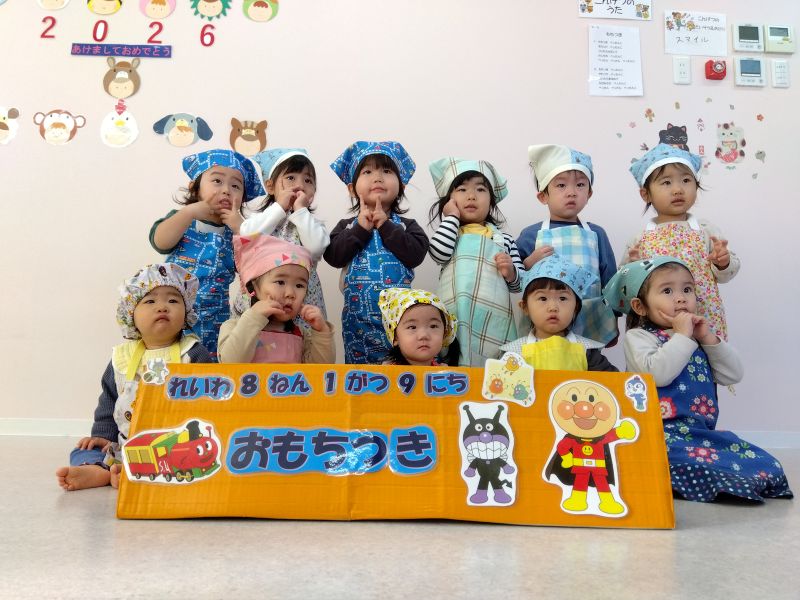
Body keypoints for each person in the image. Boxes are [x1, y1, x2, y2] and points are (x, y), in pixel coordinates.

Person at [603, 257, 792, 502]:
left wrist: (709, 339)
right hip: (659, 435)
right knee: (678, 460)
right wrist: (682, 336)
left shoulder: (697, 338)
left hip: (700, 435)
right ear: (640, 307)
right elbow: (657, 374)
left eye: (687, 289)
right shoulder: (640, 337)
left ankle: (724, 481)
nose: (681, 298)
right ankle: (713, 482)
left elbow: (733, 374)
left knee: (767, 464)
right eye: (667, 291)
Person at [56, 264, 212, 491]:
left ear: (187, 313)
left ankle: (130, 472)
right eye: (150, 301)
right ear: (131, 316)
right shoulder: (122, 358)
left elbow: (210, 403)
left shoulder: (193, 353)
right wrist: (103, 437)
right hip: (125, 444)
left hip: (174, 445)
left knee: (191, 453)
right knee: (84, 449)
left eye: (173, 300)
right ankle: (98, 469)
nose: (162, 307)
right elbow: (108, 403)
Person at [149, 149, 265, 359]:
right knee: (174, 361)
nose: (226, 190)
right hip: (175, 312)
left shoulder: (236, 232)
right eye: (217, 181)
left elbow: (257, 268)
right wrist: (189, 212)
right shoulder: (183, 219)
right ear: (195, 187)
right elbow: (160, 242)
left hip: (217, 316)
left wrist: (241, 229)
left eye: (235, 186)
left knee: (210, 365)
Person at [325, 141, 428, 364]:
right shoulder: (346, 226)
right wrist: (360, 229)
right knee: (361, 377)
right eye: (368, 172)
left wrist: (386, 226)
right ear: (352, 188)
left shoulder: (407, 226)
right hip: (358, 322)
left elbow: (416, 255)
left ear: (401, 186)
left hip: (401, 323)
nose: (378, 177)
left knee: (401, 373)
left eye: (387, 171)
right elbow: (333, 256)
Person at [623, 143, 739, 340]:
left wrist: (723, 262)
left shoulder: (705, 231)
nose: (678, 189)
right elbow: (626, 290)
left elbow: (727, 274)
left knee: (709, 358)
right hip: (660, 327)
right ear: (646, 194)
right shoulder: (639, 240)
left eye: (686, 180)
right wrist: (631, 271)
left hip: (705, 320)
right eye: (666, 182)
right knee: (669, 358)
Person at [517, 145, 618, 345]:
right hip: (544, 323)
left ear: (589, 193)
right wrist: (529, 263)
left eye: (580, 185)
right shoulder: (531, 235)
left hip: (590, 320)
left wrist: (613, 320)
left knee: (587, 362)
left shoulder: (596, 234)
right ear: (543, 196)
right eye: (561, 185)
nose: (571, 192)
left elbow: (610, 281)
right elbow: (513, 278)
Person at [428, 157, 523, 366]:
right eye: (462, 189)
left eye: (480, 189)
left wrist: (511, 271)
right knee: (453, 364)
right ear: (449, 200)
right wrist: (451, 218)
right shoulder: (451, 233)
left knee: (492, 369)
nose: (471, 196)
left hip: (493, 318)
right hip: (454, 314)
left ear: (491, 200)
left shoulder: (504, 239)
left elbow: (519, 285)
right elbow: (438, 253)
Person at [234, 148, 329, 326]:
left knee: (301, 340)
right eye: (291, 178)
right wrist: (279, 208)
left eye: (308, 180)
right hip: (262, 297)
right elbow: (247, 236)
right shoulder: (261, 219)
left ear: (313, 192)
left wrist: (300, 211)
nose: (300, 185)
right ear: (270, 186)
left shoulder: (312, 224)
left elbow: (315, 248)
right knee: (255, 338)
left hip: (299, 300)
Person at [218, 235, 335, 364]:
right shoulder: (233, 327)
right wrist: (254, 317)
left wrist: (321, 331)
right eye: (280, 282)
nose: (290, 293)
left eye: (299, 285)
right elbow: (230, 363)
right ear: (254, 287)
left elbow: (322, 370)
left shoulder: (303, 335)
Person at [500, 255, 618, 371]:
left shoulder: (587, 351)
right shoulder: (514, 354)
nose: (553, 308)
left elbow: (611, 381)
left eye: (562, 298)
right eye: (543, 298)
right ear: (525, 307)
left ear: (576, 307)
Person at [378, 287, 459, 366]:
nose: (423, 335)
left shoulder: (444, 372)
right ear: (395, 337)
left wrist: (444, 373)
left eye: (433, 326)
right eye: (412, 327)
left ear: (445, 332)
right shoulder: (387, 372)